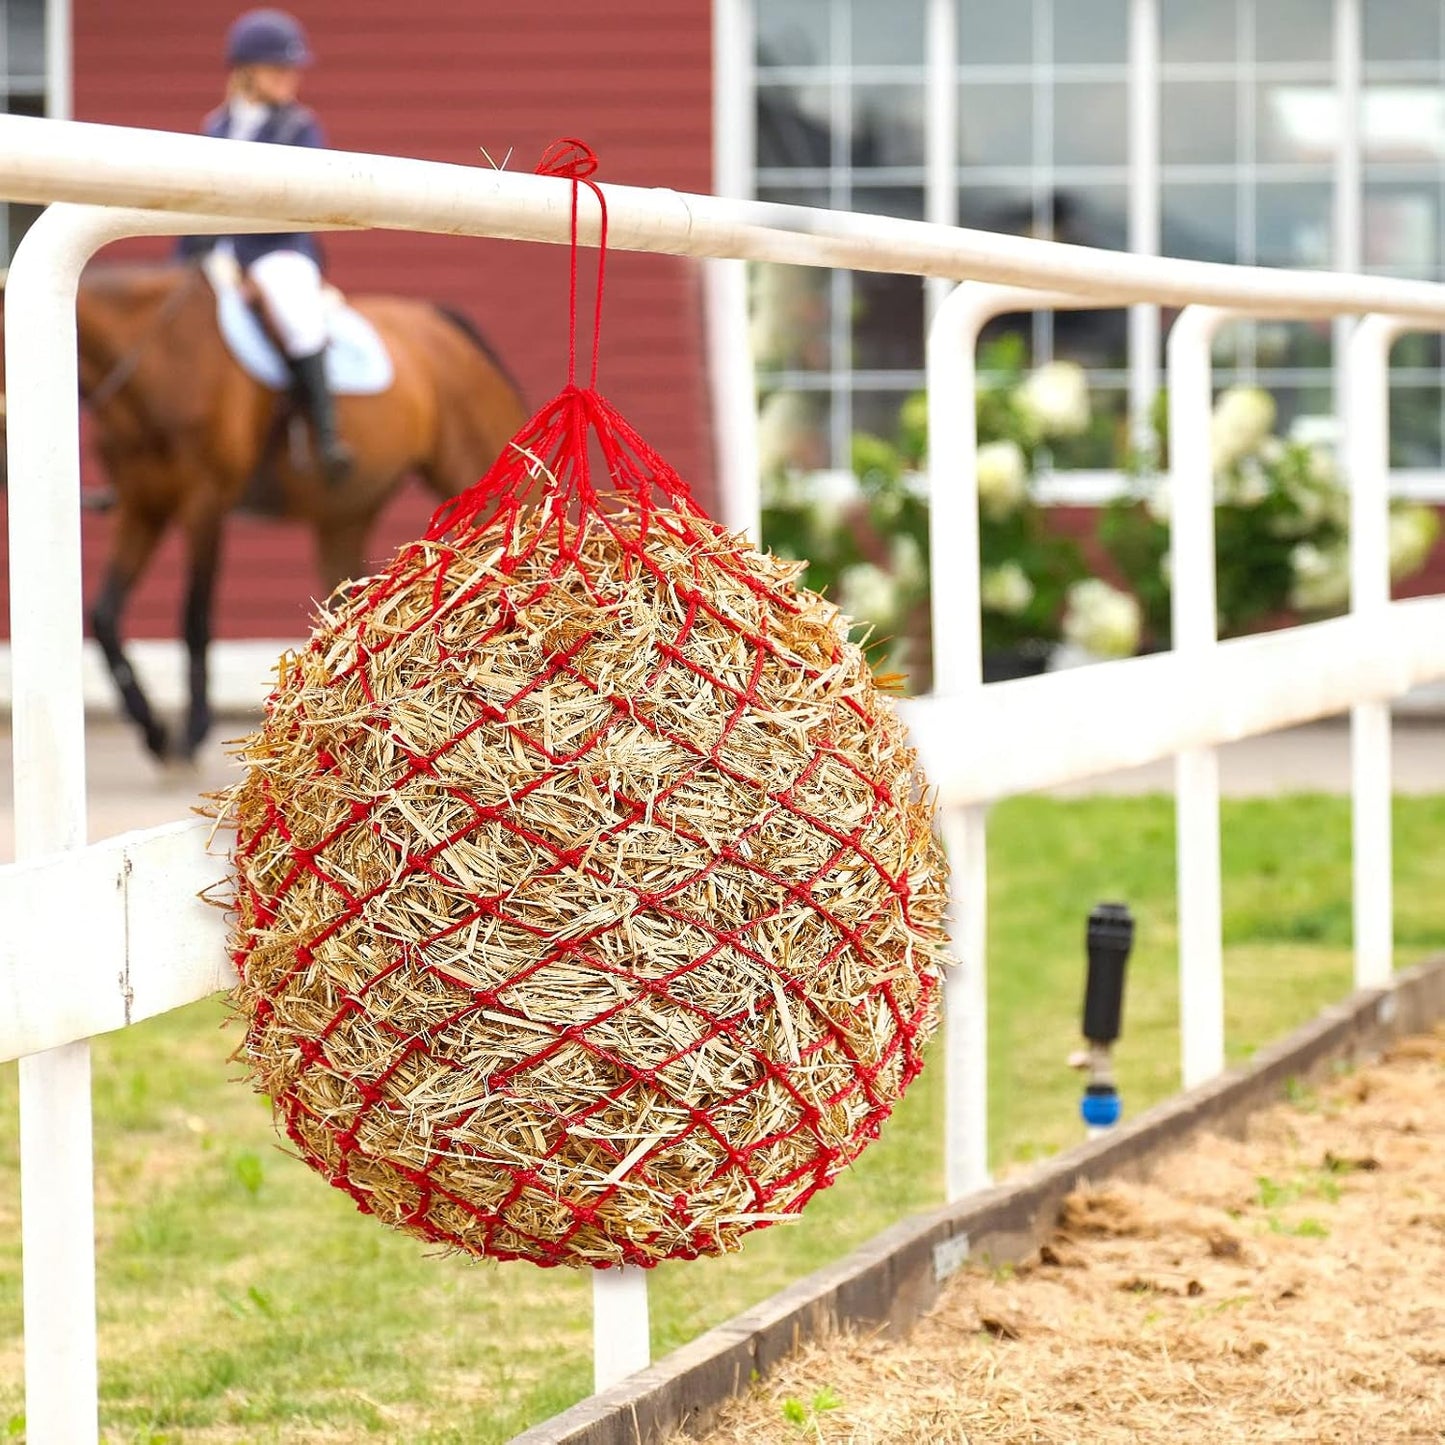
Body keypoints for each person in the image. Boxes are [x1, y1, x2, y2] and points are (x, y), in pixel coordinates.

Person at [180, 9, 352, 483]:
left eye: (292, 68)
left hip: (278, 250)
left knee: (296, 314)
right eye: (279, 68)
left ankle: (327, 435)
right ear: (246, 72)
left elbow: (306, 199)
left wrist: (250, 267)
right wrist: (189, 258)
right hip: (220, 254)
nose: (290, 78)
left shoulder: (300, 128)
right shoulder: (214, 125)